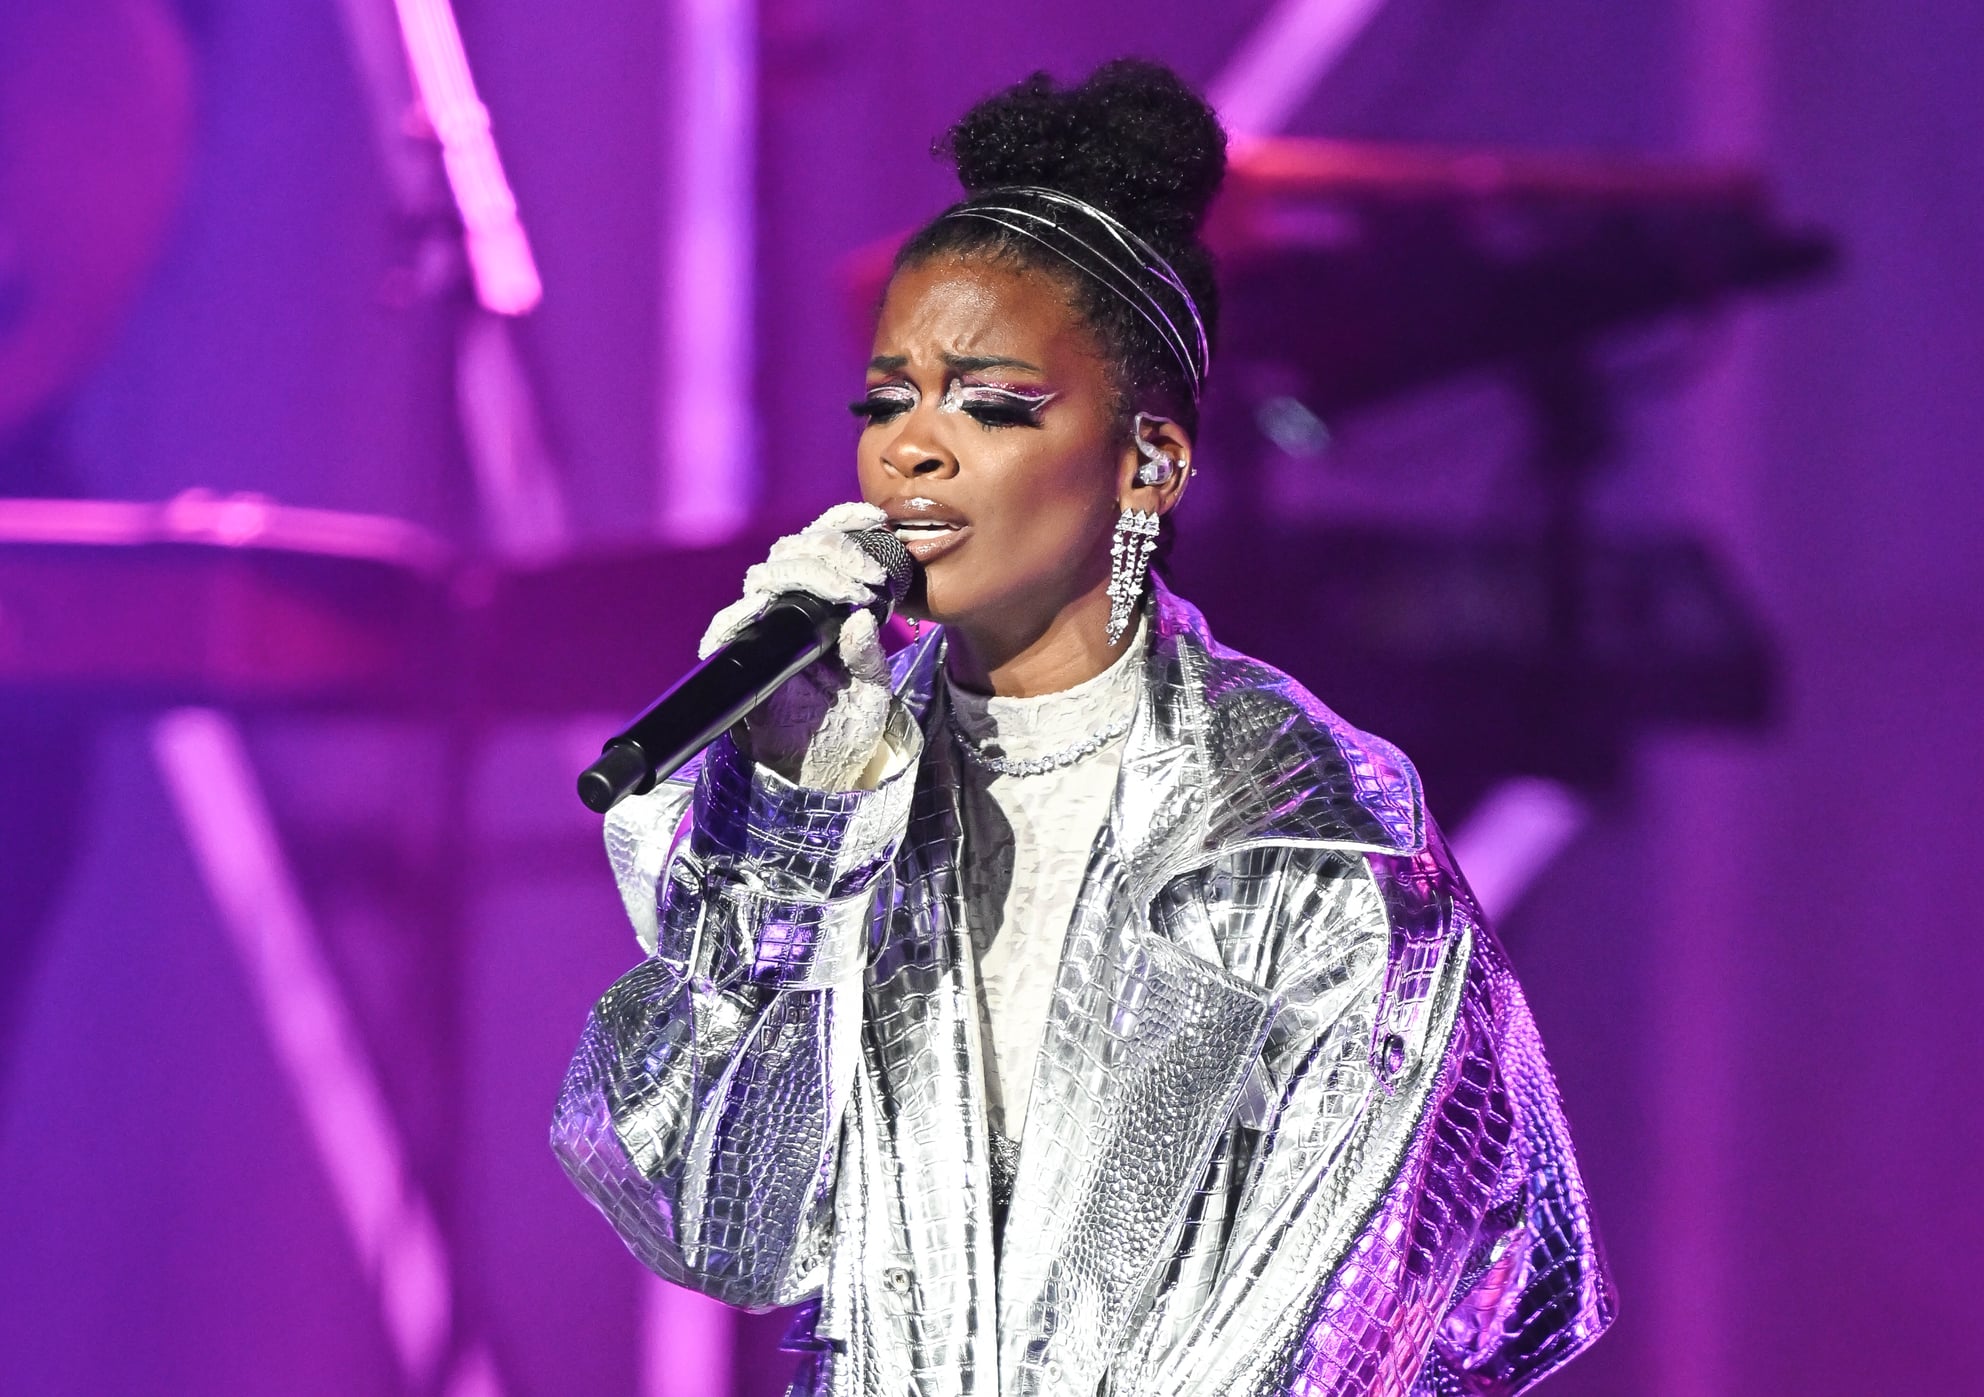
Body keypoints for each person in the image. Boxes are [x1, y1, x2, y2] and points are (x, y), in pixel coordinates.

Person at [552, 59, 1613, 1397]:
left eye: (990, 403)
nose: (914, 451)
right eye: (889, 399)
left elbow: (1367, 1300)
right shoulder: (839, 789)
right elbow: (719, 1224)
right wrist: (791, 822)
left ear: (1147, 461)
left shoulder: (1298, 822)